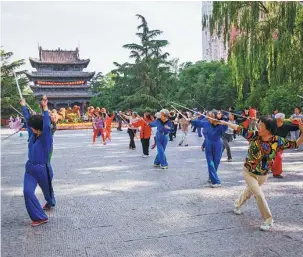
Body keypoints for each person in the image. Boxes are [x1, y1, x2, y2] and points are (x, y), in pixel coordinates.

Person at [221, 116, 303, 231]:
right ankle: (268, 219)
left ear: (269, 129)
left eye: (261, 125)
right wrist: (224, 122)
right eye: (258, 124)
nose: (258, 127)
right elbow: (238, 128)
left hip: (263, 175)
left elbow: (296, 144)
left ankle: (237, 204)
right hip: (248, 171)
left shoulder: (277, 141)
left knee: (249, 190)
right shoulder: (254, 135)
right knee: (258, 194)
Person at [20, 96, 56, 227]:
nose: (30, 129)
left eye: (32, 127)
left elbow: (46, 125)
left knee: (47, 192)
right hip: (30, 169)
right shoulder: (33, 134)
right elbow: (27, 119)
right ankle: (40, 217)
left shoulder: (46, 138)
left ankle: (50, 201)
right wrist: (23, 106)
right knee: (28, 192)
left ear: (38, 128)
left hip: (43, 169)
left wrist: (45, 108)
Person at [191, 110, 228, 188]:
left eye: (211, 116)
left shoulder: (221, 125)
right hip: (208, 144)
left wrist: (222, 121)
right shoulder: (206, 123)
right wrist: (191, 120)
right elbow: (197, 123)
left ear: (215, 117)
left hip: (218, 144)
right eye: (208, 116)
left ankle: (212, 177)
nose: (209, 118)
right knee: (210, 162)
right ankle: (216, 182)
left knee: (216, 162)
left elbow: (226, 126)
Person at [272, 113, 300, 178]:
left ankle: (275, 170)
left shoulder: (286, 126)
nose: (276, 121)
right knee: (278, 157)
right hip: (271, 144)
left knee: (277, 157)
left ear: (281, 120)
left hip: (281, 145)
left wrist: (300, 123)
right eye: (276, 120)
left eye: (278, 120)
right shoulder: (272, 126)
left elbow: (297, 127)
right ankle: (276, 172)